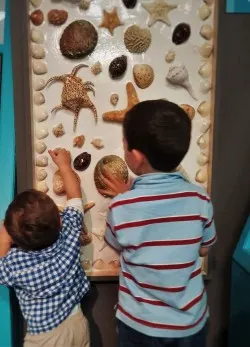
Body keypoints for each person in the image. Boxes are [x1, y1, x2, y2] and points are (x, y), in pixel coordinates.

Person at [99, 100, 217, 347]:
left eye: (125, 143)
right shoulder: (200, 199)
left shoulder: (120, 207)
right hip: (189, 323)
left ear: (137, 156)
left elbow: (117, 245)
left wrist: (127, 196)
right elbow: (204, 248)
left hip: (139, 325)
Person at [0, 148, 90, 347]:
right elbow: (75, 198)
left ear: (16, 240)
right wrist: (65, 166)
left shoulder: (14, 263)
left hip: (44, 337)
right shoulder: (69, 233)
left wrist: (4, 237)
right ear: (59, 222)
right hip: (77, 325)